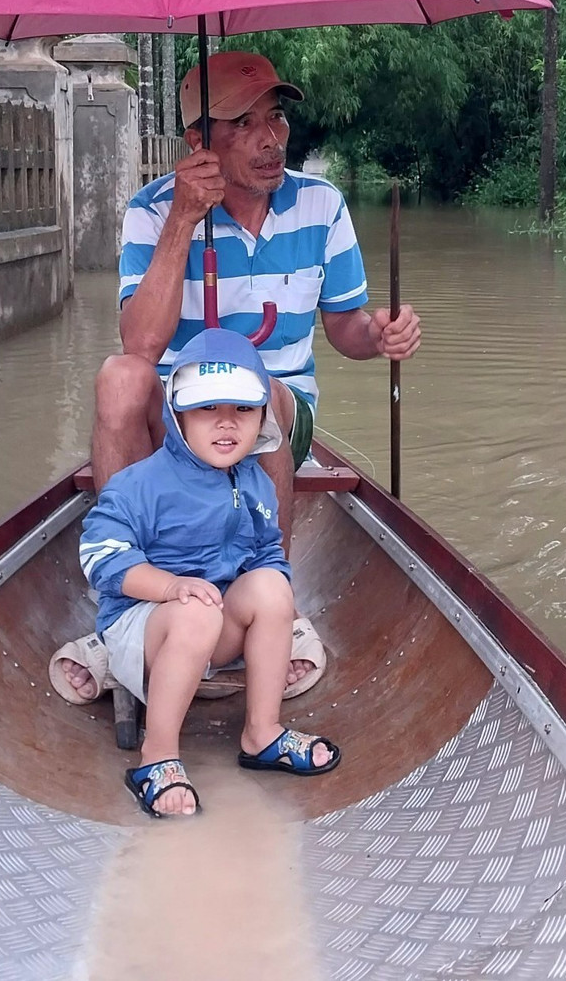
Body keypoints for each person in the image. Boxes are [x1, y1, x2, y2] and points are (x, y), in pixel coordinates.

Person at [58, 51, 422, 703]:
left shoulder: (321, 207)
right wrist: (183, 221)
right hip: (172, 409)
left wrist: (381, 334)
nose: (270, 139)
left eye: (276, 117)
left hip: (280, 406)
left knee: (266, 395)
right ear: (199, 141)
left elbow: (347, 329)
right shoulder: (152, 210)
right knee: (118, 379)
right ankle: (126, 606)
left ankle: (266, 596)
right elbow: (140, 344)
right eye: (242, 123)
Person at [81, 328, 342, 817]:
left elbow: (266, 554)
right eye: (207, 409)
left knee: (272, 586)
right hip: (144, 633)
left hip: (208, 626)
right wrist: (170, 587)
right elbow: (101, 558)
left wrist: (269, 601)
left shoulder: (255, 484)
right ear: (176, 416)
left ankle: (261, 733)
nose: (226, 425)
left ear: (263, 415)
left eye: (243, 409)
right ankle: (156, 757)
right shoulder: (141, 484)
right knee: (194, 611)